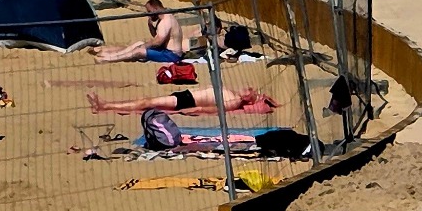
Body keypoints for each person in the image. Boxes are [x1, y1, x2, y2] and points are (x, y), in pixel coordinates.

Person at [94, 0, 187, 63]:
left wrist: (144, 46)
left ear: (156, 8)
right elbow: (156, 36)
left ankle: (109, 59)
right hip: (165, 50)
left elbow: (158, 42)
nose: (149, 14)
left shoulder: (166, 21)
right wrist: (150, 26)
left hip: (171, 55)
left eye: (150, 12)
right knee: (138, 44)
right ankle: (113, 54)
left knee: (139, 51)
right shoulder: (162, 19)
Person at [86, 85, 279, 115]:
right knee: (148, 101)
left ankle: (105, 105)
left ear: (250, 101)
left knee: (147, 102)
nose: (250, 90)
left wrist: (192, 111)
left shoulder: (235, 102)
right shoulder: (235, 94)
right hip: (185, 95)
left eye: (253, 93)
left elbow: (212, 110)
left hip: (186, 101)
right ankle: (106, 105)